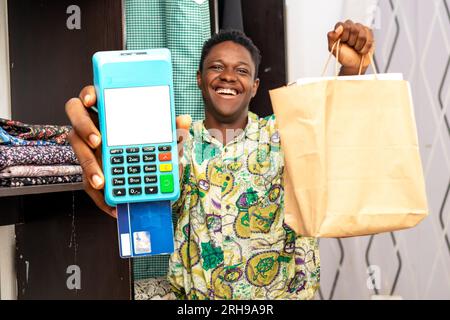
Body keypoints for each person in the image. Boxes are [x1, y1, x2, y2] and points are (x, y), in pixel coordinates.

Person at [65, 20, 375, 300]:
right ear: (199, 78)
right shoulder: (175, 141)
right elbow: (142, 196)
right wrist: (111, 140)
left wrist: (352, 71)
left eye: (242, 70)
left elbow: (336, 133)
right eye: (217, 67)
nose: (228, 76)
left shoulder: (283, 135)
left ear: (254, 86)